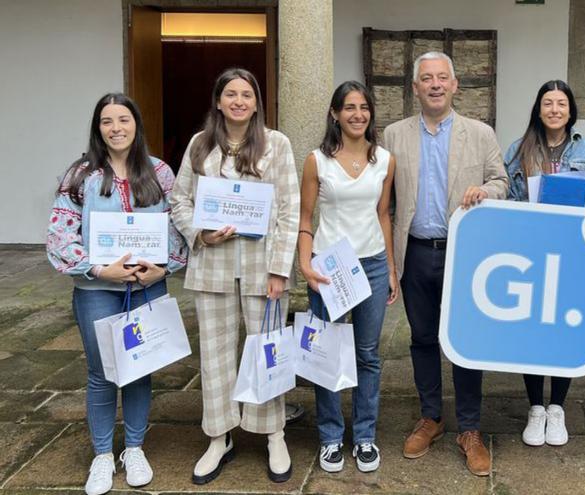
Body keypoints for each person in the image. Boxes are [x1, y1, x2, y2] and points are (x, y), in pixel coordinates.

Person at [47, 93, 187, 495]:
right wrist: (96, 267)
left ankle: (136, 448)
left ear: (136, 125)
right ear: (98, 128)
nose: (116, 128)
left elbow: (178, 227)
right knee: (102, 373)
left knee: (140, 367)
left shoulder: (158, 172)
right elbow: (59, 235)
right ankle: (103, 454)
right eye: (107, 121)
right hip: (97, 290)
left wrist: (164, 267)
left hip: (146, 287)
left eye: (123, 119)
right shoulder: (81, 175)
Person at [169, 68, 299, 485]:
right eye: (231, 94)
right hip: (213, 264)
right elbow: (180, 201)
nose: (239, 101)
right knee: (216, 353)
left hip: (263, 267)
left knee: (267, 351)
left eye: (246, 94)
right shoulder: (200, 144)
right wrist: (200, 234)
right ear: (219, 101)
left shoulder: (276, 144)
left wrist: (281, 268)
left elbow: (288, 210)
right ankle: (219, 435)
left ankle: (273, 433)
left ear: (257, 102)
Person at [384, 51, 508, 476]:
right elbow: (384, 202)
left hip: (464, 252)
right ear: (414, 88)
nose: (435, 85)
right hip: (415, 250)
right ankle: (432, 417)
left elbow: (502, 182)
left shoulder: (480, 133)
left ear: (455, 85)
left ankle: (470, 428)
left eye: (442, 78)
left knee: (465, 340)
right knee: (421, 338)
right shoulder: (394, 135)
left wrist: (485, 192)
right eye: (426, 79)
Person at [503, 79, 585, 447]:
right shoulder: (519, 150)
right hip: (530, 253)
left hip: (571, 253)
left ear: (570, 110)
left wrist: (576, 212)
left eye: (561, 103)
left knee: (562, 326)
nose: (554, 109)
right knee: (533, 328)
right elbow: (505, 197)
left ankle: (557, 407)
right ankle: (535, 407)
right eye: (547, 103)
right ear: (538, 108)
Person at [298, 80, 399, 473]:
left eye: (364, 107)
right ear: (335, 114)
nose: (358, 114)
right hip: (330, 267)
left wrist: (390, 268)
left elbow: (383, 215)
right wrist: (305, 264)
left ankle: (365, 436)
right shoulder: (316, 161)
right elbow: (306, 219)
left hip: (371, 265)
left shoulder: (385, 160)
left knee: (367, 355)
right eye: (349, 107)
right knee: (327, 352)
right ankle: (328, 436)